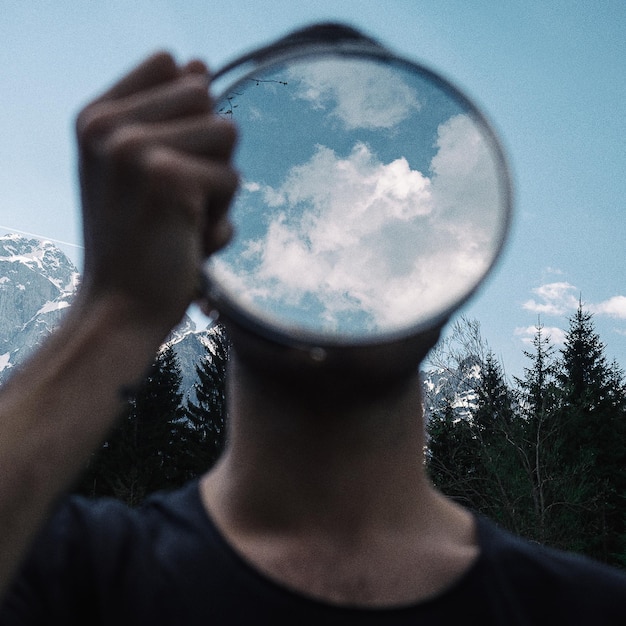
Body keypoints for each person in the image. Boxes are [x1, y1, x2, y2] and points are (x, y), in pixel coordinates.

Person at [1, 51, 626, 625]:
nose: (336, 282)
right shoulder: (65, 574)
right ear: (205, 284)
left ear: (449, 290)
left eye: (393, 243)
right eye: (276, 224)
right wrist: (117, 311)